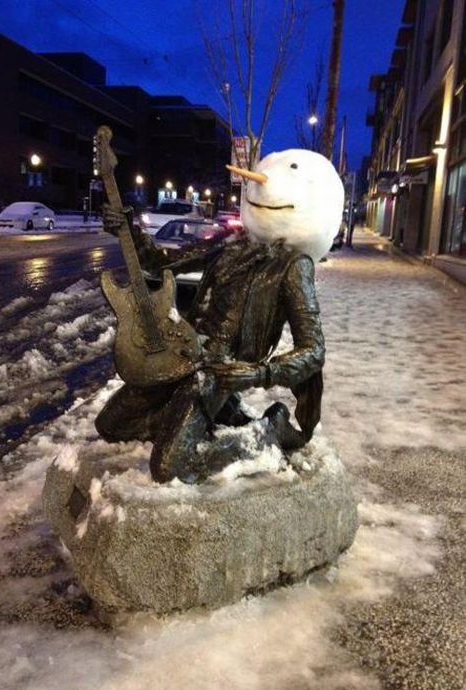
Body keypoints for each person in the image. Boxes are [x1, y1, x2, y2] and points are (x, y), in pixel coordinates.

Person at [96, 149, 344, 484]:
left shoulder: (293, 267)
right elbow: (162, 262)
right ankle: (195, 421)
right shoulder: (232, 244)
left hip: (217, 371)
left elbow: (314, 350)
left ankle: (264, 435)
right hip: (182, 353)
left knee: (170, 467)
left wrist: (257, 374)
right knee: (110, 426)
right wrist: (129, 231)